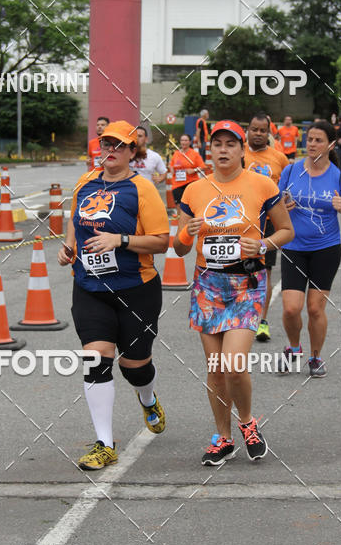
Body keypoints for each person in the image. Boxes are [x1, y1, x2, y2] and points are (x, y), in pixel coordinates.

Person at [173, 120, 294, 466]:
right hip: (208, 286)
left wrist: (264, 244)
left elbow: (287, 230)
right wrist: (186, 234)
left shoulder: (261, 183)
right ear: (209, 150)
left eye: (231, 144)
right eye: (217, 144)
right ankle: (223, 437)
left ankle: (247, 423)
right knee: (215, 369)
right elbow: (179, 248)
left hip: (246, 285)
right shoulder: (193, 191)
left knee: (234, 365)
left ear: (243, 150)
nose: (223, 150)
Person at [58, 121, 170, 470]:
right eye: (106, 143)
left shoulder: (142, 188)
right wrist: (69, 247)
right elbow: (75, 219)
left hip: (136, 289)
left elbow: (162, 241)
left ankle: (148, 398)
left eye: (119, 145)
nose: (111, 150)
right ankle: (104, 443)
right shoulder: (85, 182)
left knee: (134, 366)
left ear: (132, 151)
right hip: (90, 287)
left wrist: (119, 240)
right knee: (95, 358)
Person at [277, 119, 341, 378]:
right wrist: (282, 208)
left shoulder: (338, 177)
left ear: (331, 144)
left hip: (326, 248)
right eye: (309, 139)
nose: (312, 144)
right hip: (293, 246)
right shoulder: (291, 171)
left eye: (318, 140)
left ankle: (316, 357)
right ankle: (294, 348)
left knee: (314, 308)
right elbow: (274, 206)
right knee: (290, 308)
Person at [243, 113, 290, 343]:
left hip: (268, 224)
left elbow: (288, 189)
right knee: (237, 270)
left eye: (263, 131)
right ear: (248, 130)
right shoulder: (237, 152)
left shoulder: (279, 159)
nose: (258, 134)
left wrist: (288, 202)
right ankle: (237, 316)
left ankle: (262, 321)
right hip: (239, 222)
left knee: (264, 273)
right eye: (254, 129)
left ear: (269, 133)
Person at [169, 133, 206, 208]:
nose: (183, 142)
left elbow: (203, 166)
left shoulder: (194, 154)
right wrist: (171, 169)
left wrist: (194, 170)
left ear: (190, 142)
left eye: (186, 140)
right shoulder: (176, 153)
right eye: (182, 140)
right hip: (177, 184)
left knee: (191, 206)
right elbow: (171, 164)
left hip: (191, 182)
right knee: (179, 207)